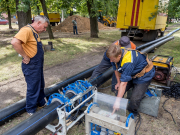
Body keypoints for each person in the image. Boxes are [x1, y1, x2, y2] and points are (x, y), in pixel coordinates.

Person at [11, 15, 49, 116]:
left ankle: (42, 102)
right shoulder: (26, 30)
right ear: (38, 23)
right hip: (31, 65)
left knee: (40, 84)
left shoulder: (34, 32)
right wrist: (25, 56)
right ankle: (31, 109)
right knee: (33, 87)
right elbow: (15, 42)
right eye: (44, 27)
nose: (45, 30)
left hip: (37, 64)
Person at [106, 44, 155, 118]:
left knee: (134, 99)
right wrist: (118, 83)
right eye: (110, 59)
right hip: (131, 73)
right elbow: (115, 69)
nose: (111, 61)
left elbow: (124, 83)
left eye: (112, 59)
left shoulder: (128, 60)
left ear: (119, 56)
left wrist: (117, 101)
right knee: (118, 91)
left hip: (144, 76)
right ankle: (116, 109)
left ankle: (132, 113)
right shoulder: (114, 54)